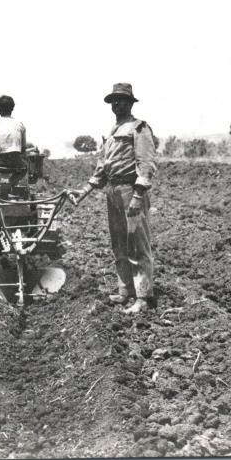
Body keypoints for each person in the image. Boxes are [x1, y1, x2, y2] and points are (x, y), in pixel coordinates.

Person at [68, 83, 158, 314]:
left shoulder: (139, 128)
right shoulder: (112, 132)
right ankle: (125, 290)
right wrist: (84, 191)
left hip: (130, 191)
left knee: (137, 244)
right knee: (119, 244)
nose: (116, 104)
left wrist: (138, 195)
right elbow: (102, 168)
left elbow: (146, 164)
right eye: (113, 101)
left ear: (130, 103)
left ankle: (143, 297)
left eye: (121, 100)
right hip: (113, 191)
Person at [0, 95, 27, 171]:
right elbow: (23, 148)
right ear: (12, 108)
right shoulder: (20, 125)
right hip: (16, 161)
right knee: (25, 168)